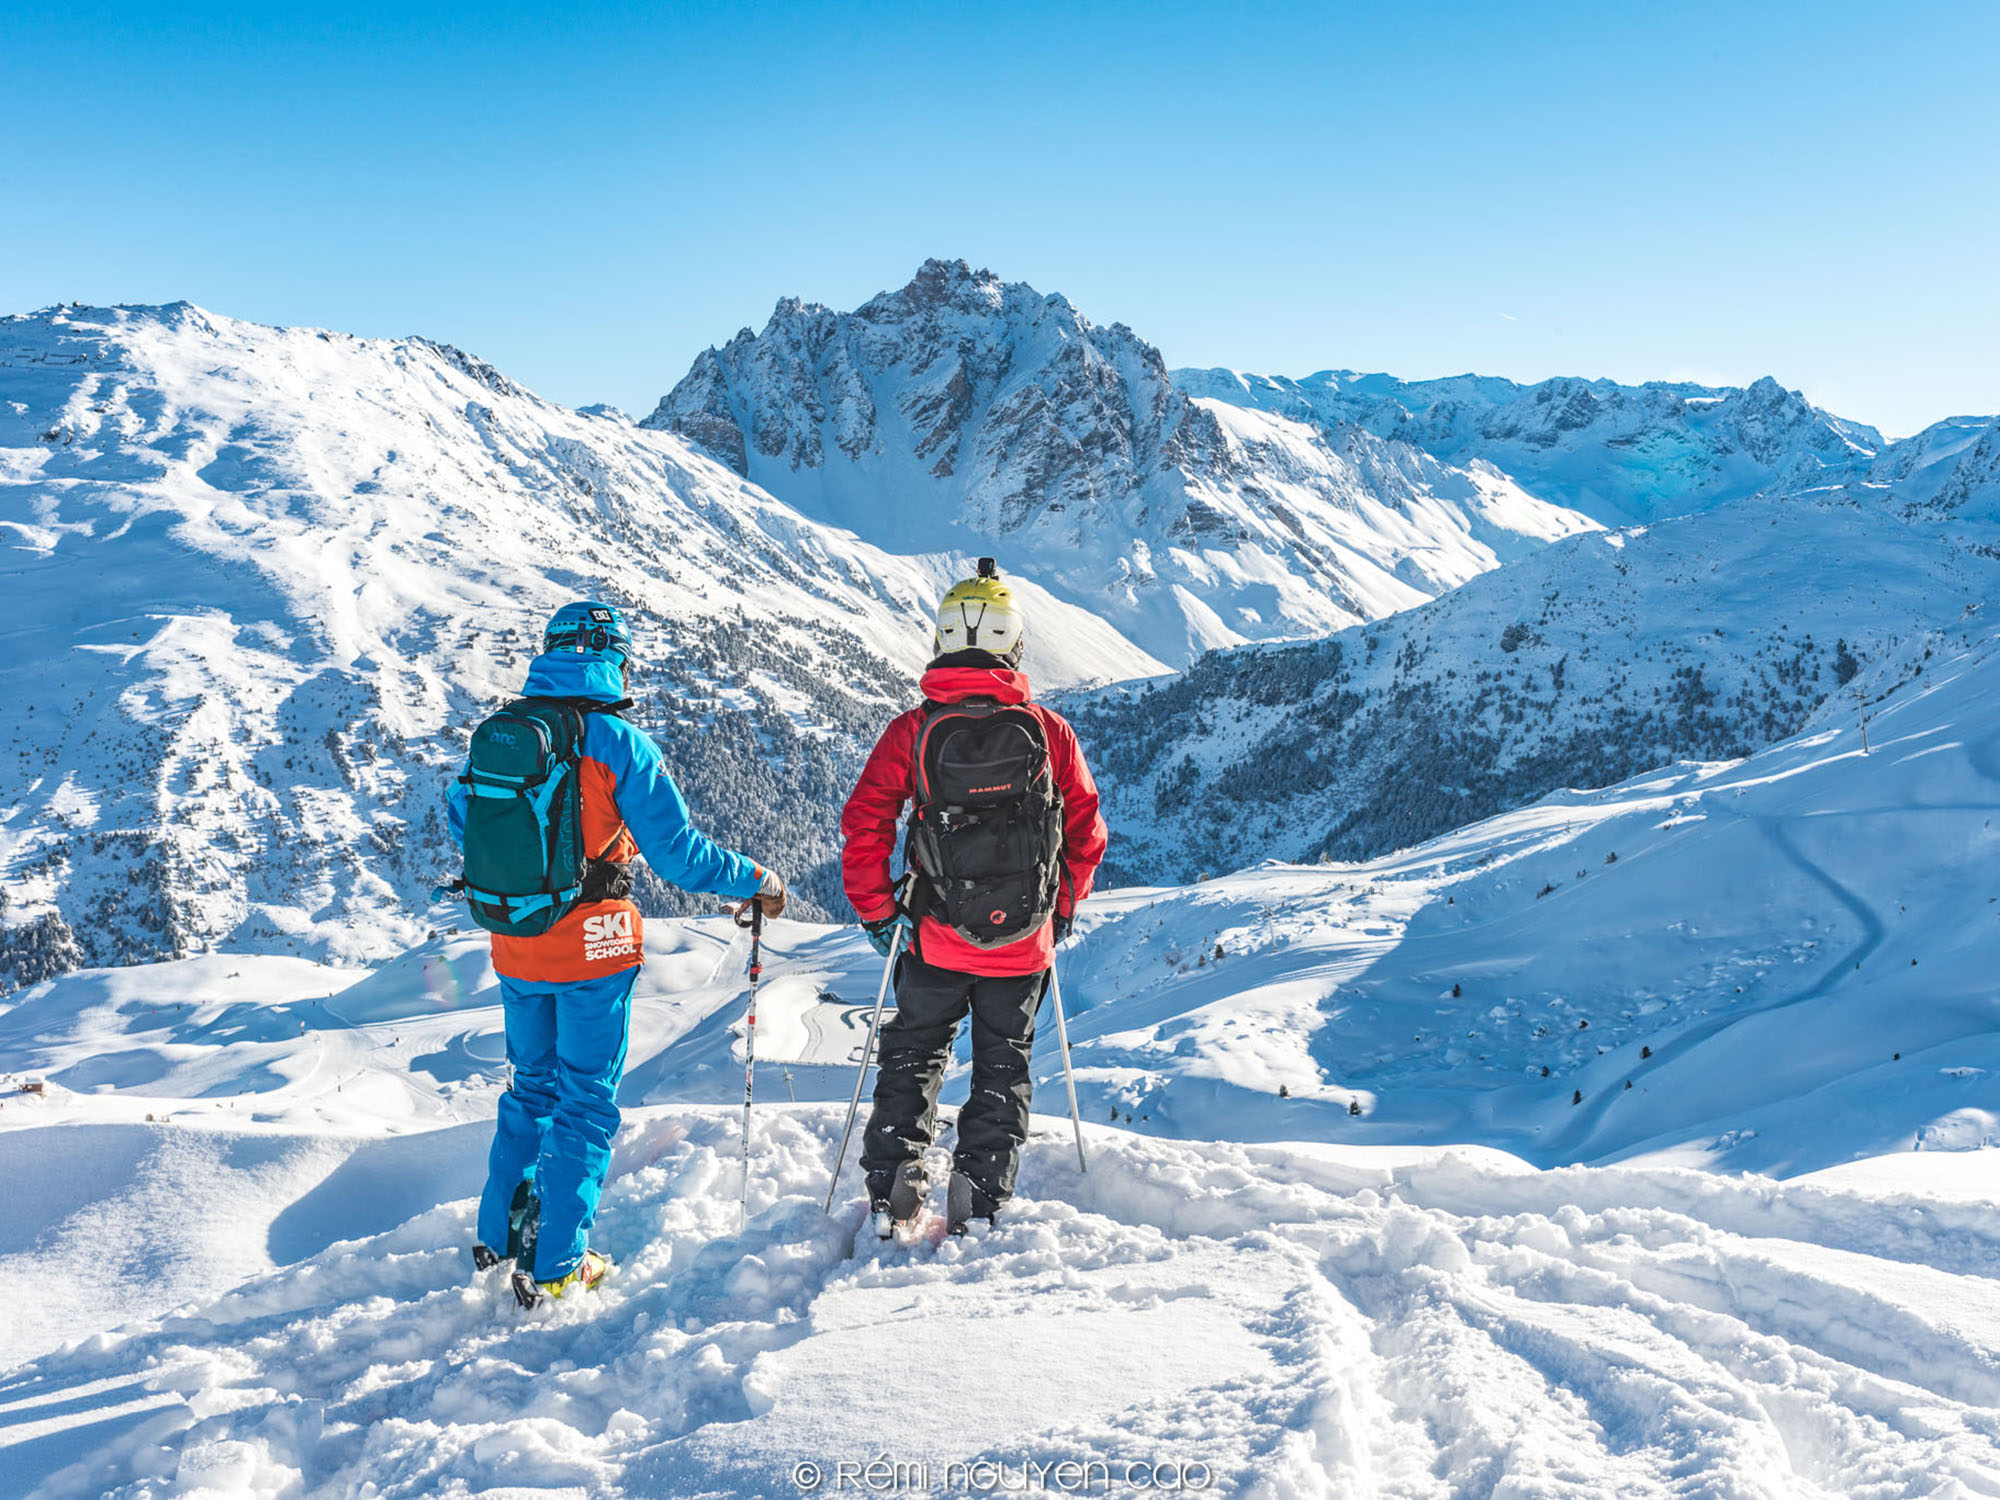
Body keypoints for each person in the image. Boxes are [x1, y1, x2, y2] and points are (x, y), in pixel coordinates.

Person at [448, 601, 785, 1304]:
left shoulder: (503, 735)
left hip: (514, 942)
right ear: (613, 659)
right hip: (593, 949)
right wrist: (757, 879)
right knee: (586, 1103)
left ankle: (497, 1234)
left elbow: (466, 820)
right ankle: (557, 1264)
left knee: (530, 1089)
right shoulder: (617, 742)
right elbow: (681, 856)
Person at [840, 560, 1107, 1234]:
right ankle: (981, 1191)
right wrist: (1061, 906)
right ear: (1014, 644)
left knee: (915, 1049)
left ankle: (895, 1179)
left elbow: (866, 823)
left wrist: (877, 910)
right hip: (1022, 942)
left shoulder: (913, 731)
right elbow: (1085, 829)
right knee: (1003, 1060)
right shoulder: (1049, 732)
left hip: (934, 933)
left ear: (942, 641)